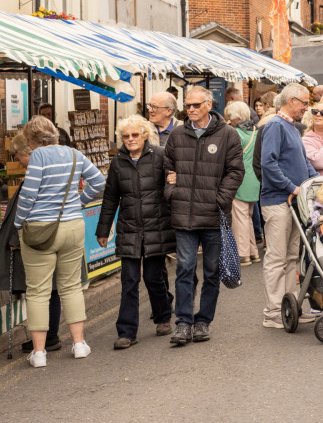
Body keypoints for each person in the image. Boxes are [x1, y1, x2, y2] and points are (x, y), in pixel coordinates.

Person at [15, 116, 105, 366]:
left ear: (32, 139)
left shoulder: (38, 157)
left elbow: (29, 194)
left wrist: (18, 222)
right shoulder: (74, 154)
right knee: (71, 286)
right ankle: (79, 345)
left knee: (38, 291)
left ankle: (40, 353)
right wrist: (79, 203)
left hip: (40, 229)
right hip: (73, 225)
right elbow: (98, 180)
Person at [163, 85, 244, 346]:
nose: (191, 109)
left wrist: (219, 200)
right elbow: (168, 168)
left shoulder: (228, 134)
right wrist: (172, 192)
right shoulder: (177, 135)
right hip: (184, 216)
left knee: (211, 272)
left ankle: (203, 322)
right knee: (184, 270)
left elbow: (235, 172)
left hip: (213, 216)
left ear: (210, 105)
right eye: (188, 105)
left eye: (196, 105)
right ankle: (183, 323)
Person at [97, 116, 174, 349]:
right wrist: (103, 229)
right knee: (129, 280)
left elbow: (172, 187)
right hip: (129, 228)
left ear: (144, 135)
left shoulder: (160, 156)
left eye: (134, 135)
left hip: (156, 227)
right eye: (125, 136)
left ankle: (163, 317)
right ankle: (127, 332)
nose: (130, 140)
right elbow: (110, 198)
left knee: (153, 277)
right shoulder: (118, 162)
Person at [259, 84, 318, 329]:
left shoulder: (290, 127)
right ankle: (273, 312)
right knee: (276, 258)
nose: (306, 108)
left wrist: (316, 183)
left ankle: (290, 306)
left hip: (293, 202)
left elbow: (303, 161)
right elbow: (268, 164)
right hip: (278, 201)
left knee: (292, 257)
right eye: (304, 103)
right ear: (291, 101)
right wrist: (292, 188)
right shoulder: (275, 125)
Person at [1, 133, 64, 354]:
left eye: (18, 156)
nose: (18, 161)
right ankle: (49, 335)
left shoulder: (37, 174)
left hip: (38, 238)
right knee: (50, 288)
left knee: (43, 290)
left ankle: (48, 337)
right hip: (49, 234)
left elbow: (27, 208)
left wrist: (15, 236)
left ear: (29, 152)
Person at [224, 101, 261, 266]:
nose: (229, 120)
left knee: (239, 218)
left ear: (236, 117)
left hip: (239, 180)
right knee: (248, 217)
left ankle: (243, 254)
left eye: (230, 117)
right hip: (254, 180)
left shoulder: (235, 133)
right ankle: (253, 252)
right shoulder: (256, 131)